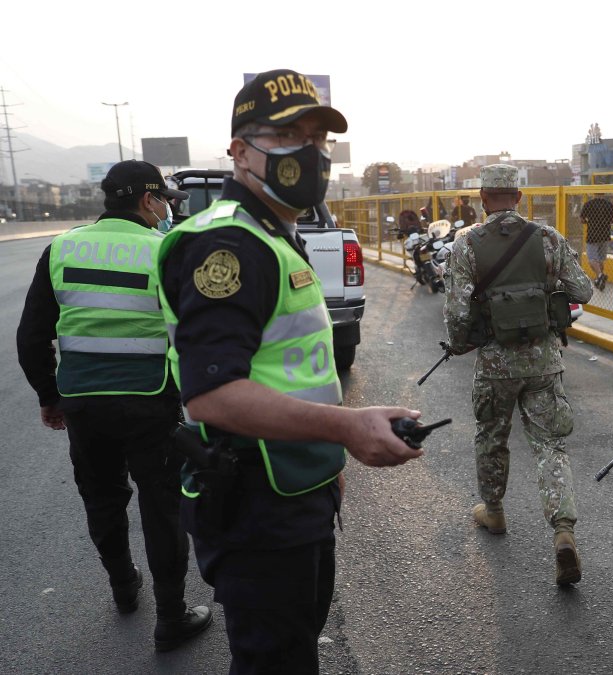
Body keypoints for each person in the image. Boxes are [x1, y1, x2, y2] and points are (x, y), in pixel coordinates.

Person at [157, 69, 424, 673]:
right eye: (288, 136)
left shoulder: (275, 233)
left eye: (318, 138)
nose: (309, 152)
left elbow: (288, 369)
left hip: (293, 491)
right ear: (239, 151)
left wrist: (328, 466)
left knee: (291, 644)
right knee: (276, 661)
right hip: (257, 507)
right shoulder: (228, 247)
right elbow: (214, 395)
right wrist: (346, 429)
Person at [16, 160, 212, 651]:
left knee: (102, 498)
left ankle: (124, 588)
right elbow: (198, 333)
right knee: (160, 505)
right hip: (150, 402)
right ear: (148, 201)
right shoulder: (167, 248)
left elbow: (32, 336)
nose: (167, 208)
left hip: (82, 402)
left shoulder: (61, 248)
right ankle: (171, 616)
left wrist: (49, 396)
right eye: (165, 199)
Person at [443, 163, 593, 586]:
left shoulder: (466, 245)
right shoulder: (547, 239)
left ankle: (493, 512)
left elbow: (456, 314)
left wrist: (459, 344)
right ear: (520, 198)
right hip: (544, 362)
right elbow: (583, 290)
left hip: (494, 364)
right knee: (550, 446)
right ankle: (563, 530)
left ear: (482, 198)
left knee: (492, 437)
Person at [580, 195, 613, 290]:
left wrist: (589, 221)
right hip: (605, 235)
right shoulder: (609, 205)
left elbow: (582, 219)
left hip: (592, 235)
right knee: (600, 259)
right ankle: (599, 280)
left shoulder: (588, 204)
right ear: (603, 193)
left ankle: (600, 275)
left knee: (592, 259)